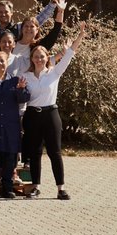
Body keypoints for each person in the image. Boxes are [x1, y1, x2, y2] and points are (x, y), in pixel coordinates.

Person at [23, 22, 85, 200]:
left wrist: (79, 36)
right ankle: (35, 186)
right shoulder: (25, 76)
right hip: (32, 115)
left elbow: (69, 55)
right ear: (32, 59)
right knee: (34, 152)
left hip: (51, 115)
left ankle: (61, 188)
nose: (39, 59)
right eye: (36, 56)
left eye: (42, 56)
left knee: (54, 152)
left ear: (47, 58)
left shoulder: (54, 73)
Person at [0, 51, 30, 199]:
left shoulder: (15, 80)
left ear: (7, 63)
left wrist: (21, 89)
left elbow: (24, 99)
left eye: (2, 61)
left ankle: (8, 188)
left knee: (10, 159)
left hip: (10, 127)